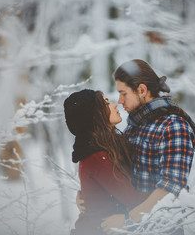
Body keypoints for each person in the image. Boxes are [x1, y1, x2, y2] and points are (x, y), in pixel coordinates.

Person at [100, 59, 195, 234]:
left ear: (141, 90)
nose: (119, 100)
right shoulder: (135, 126)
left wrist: (127, 220)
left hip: (161, 230)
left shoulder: (173, 126)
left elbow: (171, 189)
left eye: (123, 93)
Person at [63, 89, 151, 235]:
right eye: (106, 103)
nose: (115, 105)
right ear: (94, 115)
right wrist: (168, 192)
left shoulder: (106, 147)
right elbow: (133, 198)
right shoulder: (96, 156)